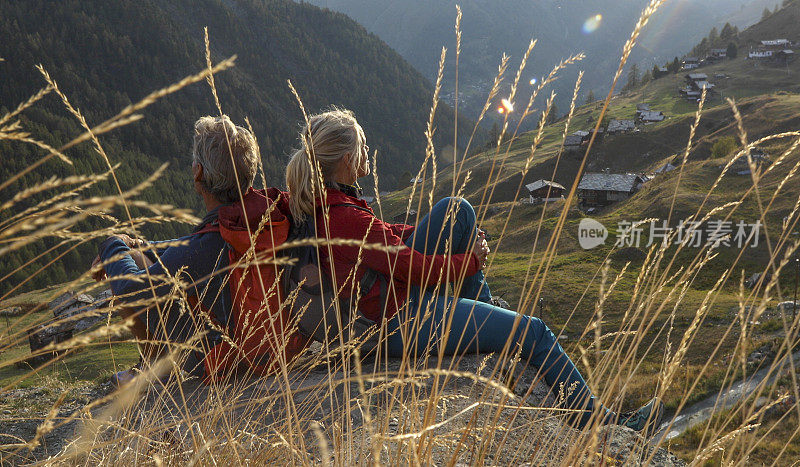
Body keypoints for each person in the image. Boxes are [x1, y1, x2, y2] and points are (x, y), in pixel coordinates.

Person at [284, 108, 664, 433]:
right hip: (398, 320)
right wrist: (471, 262)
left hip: (384, 305)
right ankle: (601, 424)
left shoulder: (326, 207)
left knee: (458, 211)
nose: (368, 152)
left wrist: (429, 237)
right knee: (533, 331)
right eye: (363, 147)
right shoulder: (344, 217)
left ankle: (486, 313)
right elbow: (413, 268)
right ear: (348, 159)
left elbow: (384, 242)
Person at [93, 115, 306, 385]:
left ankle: (153, 370)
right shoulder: (267, 215)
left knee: (131, 266)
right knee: (138, 254)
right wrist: (140, 245)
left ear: (198, 173)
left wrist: (113, 246)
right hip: (280, 349)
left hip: (225, 361)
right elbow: (189, 247)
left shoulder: (206, 245)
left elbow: (131, 292)